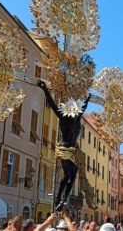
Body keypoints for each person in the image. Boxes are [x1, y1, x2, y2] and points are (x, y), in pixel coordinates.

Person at [38, 80, 91, 211]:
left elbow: (83, 107)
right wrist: (45, 90)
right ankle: (58, 197)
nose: (74, 115)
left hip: (75, 151)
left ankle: (63, 199)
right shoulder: (63, 118)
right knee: (67, 174)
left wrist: (88, 98)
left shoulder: (78, 118)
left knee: (73, 175)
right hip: (64, 148)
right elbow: (52, 104)